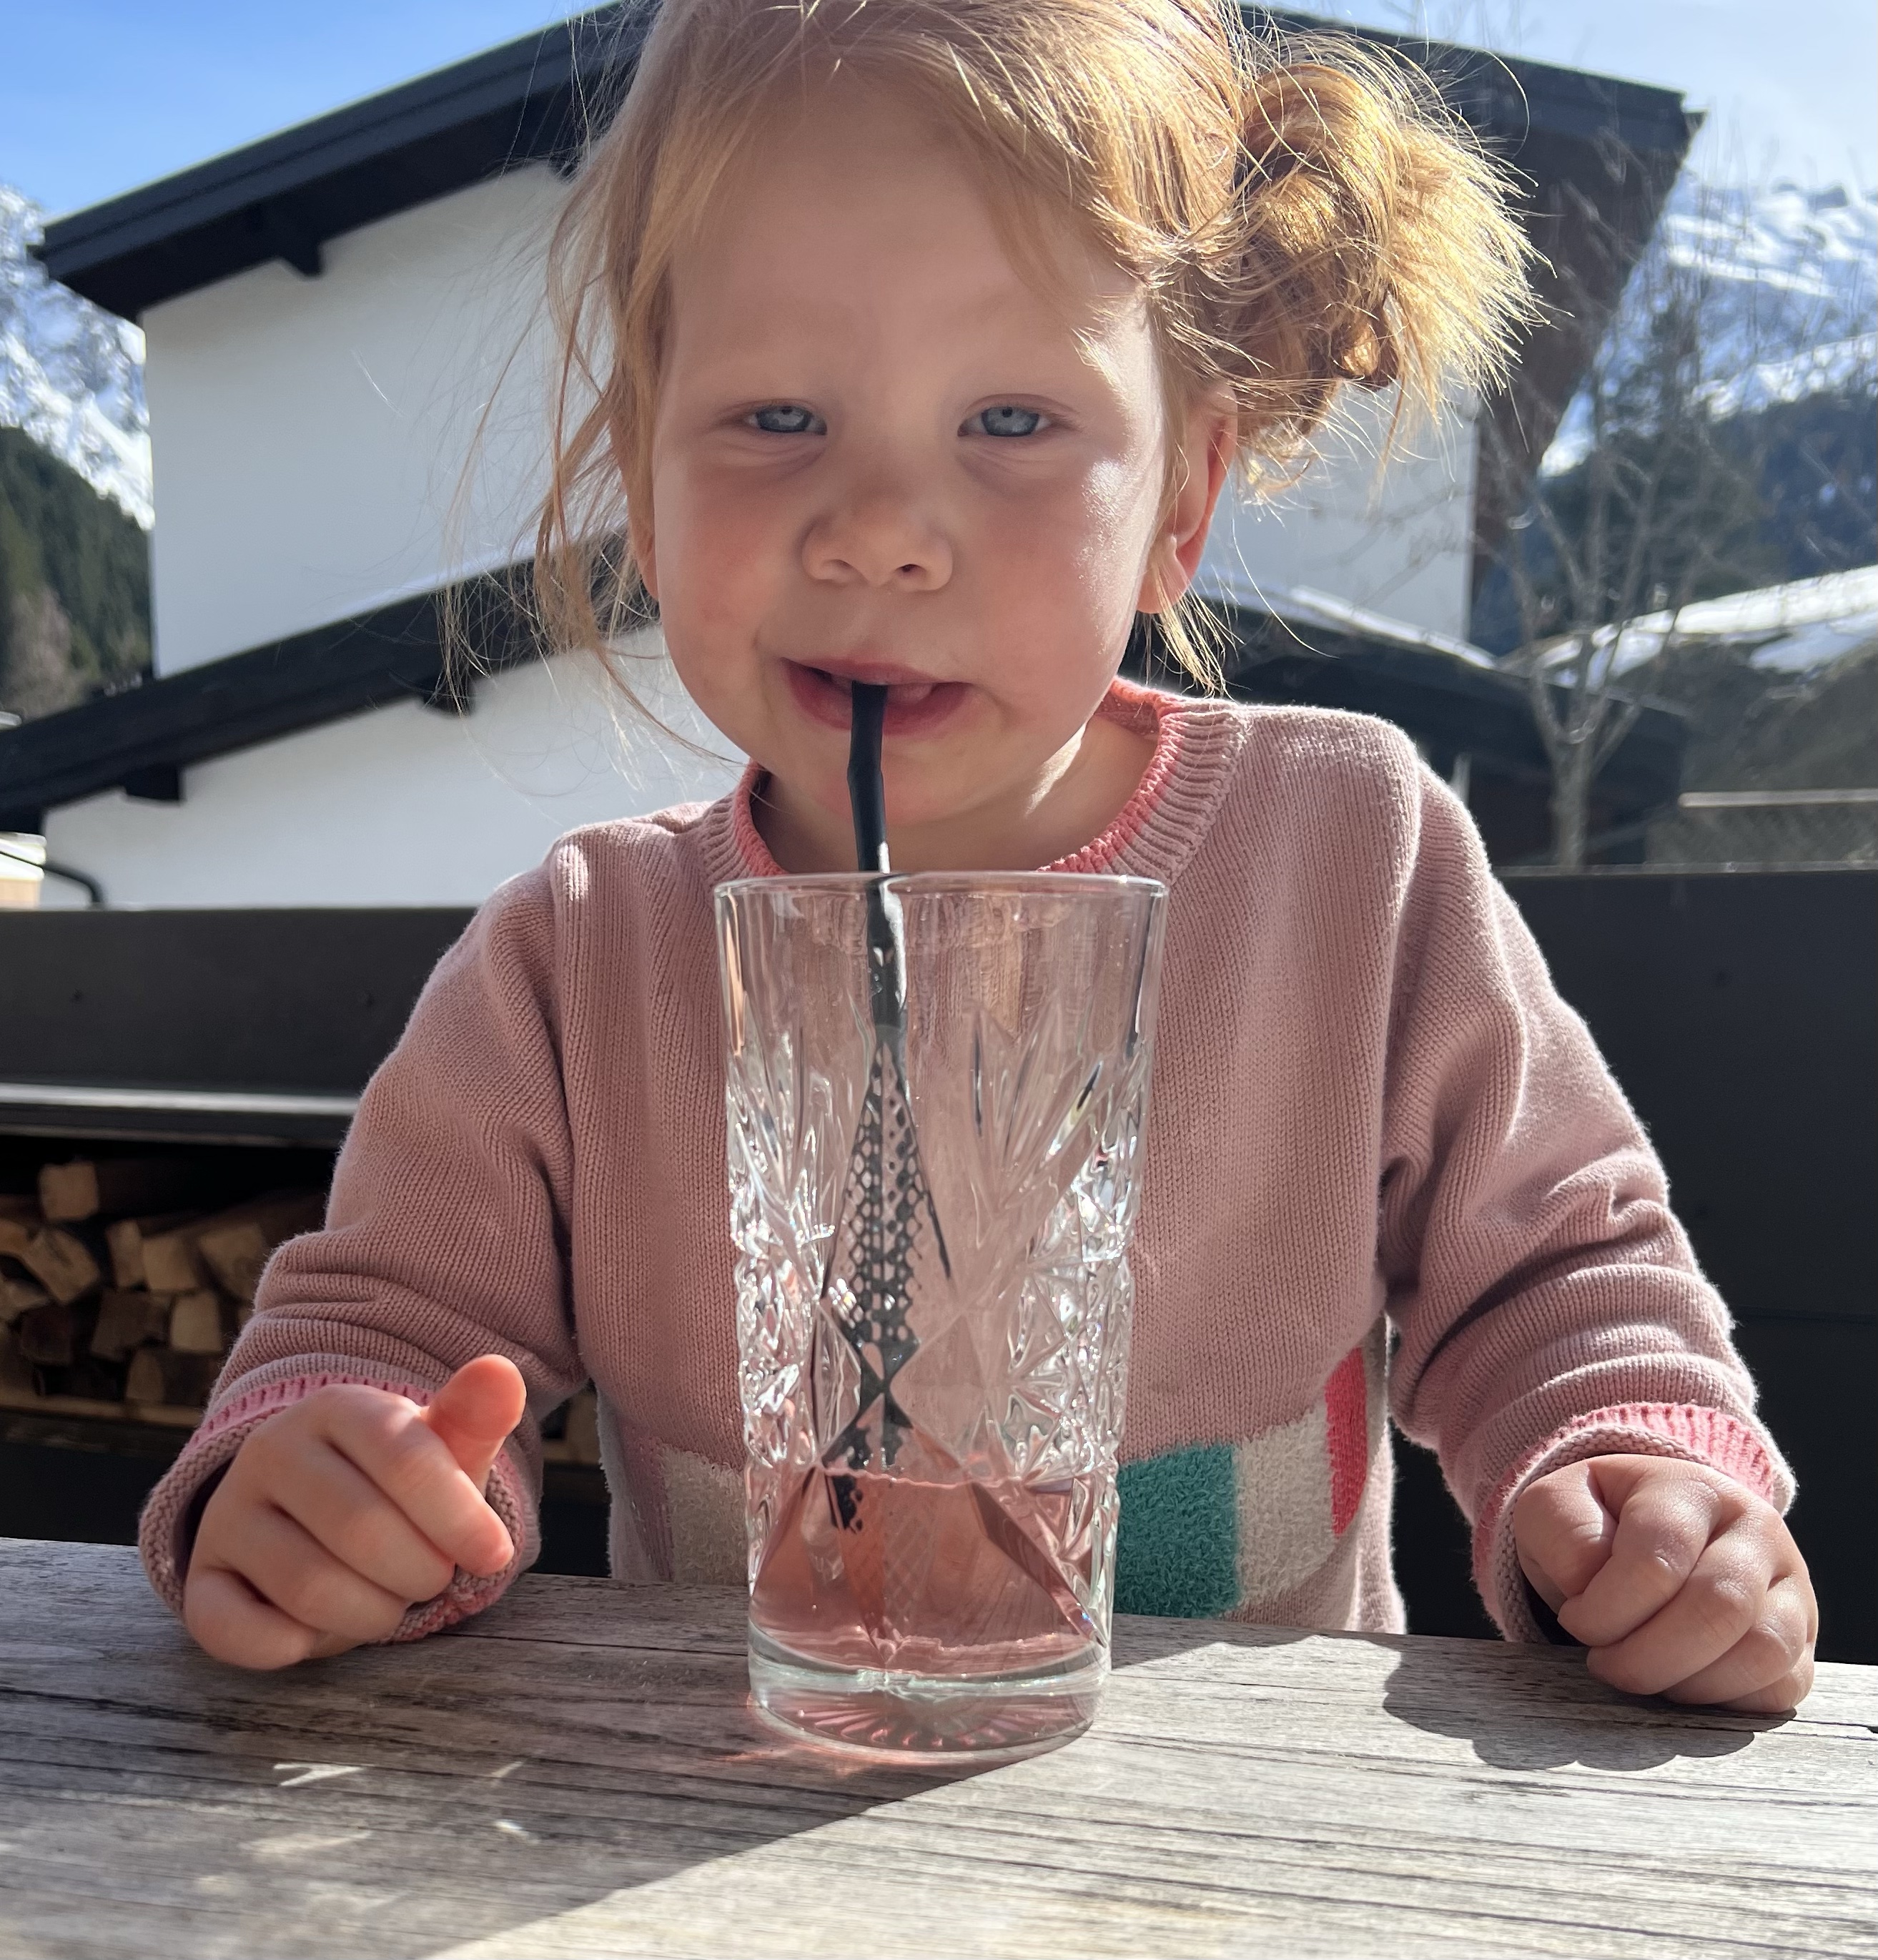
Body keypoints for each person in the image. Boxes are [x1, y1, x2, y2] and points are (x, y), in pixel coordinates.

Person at [141, 0, 1816, 1713]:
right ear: (643, 476)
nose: (879, 532)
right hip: (721, 1809)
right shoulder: (581, 955)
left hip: (1254, 1823)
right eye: (775, 414)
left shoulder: (1348, 855)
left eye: (1013, 420)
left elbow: (1555, 1271)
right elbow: (389, 1331)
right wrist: (338, 1478)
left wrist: (1633, 1474)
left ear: (1181, 502)